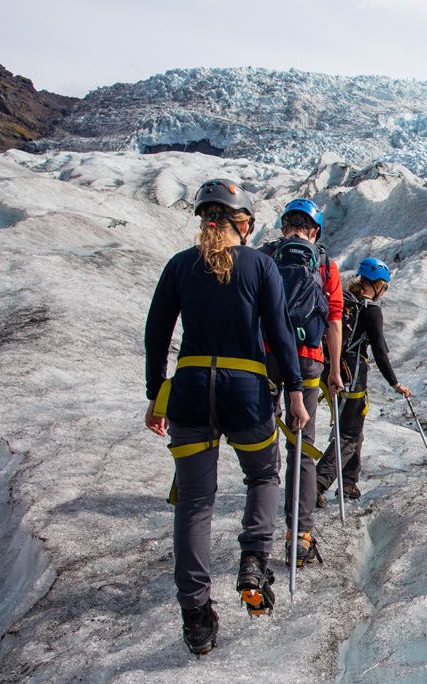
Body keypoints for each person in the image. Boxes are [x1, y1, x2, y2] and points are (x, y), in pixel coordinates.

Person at [144, 178, 309, 655]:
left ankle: (196, 616)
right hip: (246, 392)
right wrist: (295, 391)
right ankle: (254, 562)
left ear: (204, 220)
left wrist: (158, 396)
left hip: (191, 391)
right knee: (263, 475)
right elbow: (279, 332)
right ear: (245, 223)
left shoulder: (180, 265)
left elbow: (157, 334)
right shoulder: (260, 265)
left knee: (195, 502)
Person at [259, 198, 343, 567]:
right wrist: (335, 370)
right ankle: (300, 534)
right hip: (309, 362)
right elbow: (335, 321)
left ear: (284, 226)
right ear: (315, 230)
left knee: (262, 447)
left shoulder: (264, 257)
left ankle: (258, 538)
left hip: (266, 358)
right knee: (302, 448)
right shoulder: (325, 264)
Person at [315, 257, 412, 503]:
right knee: (349, 433)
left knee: (351, 428)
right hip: (353, 374)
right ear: (378, 284)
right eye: (385, 287)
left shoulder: (343, 301)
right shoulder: (370, 310)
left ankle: (349, 483)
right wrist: (395, 383)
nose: (384, 292)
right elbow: (379, 350)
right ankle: (316, 484)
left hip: (329, 371)